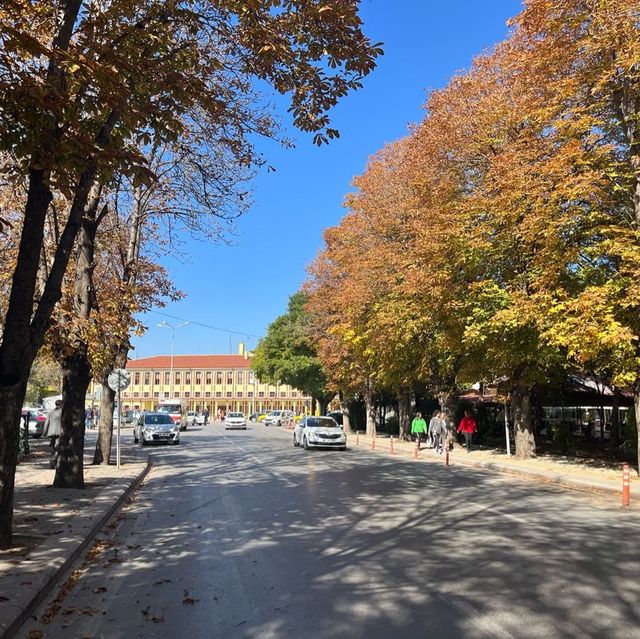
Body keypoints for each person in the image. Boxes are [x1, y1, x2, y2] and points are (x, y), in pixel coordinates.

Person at [43, 400, 63, 469]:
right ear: (61, 404)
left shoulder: (50, 412)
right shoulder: (62, 412)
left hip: (51, 432)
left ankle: (53, 458)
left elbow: (46, 423)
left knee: (52, 445)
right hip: (59, 432)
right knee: (58, 446)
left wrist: (44, 433)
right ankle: (54, 459)